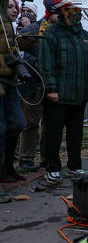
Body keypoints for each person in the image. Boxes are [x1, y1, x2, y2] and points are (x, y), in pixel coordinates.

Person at [38, 0, 88, 184]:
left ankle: (74, 166)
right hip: (59, 95)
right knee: (53, 133)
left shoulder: (85, 35)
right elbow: (46, 64)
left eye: (79, 9)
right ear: (64, 11)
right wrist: (51, 88)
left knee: (76, 133)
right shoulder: (52, 33)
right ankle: (52, 167)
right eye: (74, 9)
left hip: (79, 94)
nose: (78, 13)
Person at [0, 0, 27, 203]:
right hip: (1, 76)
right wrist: (7, 61)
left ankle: (6, 168)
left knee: (17, 124)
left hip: (9, 81)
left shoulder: (6, 19)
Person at [16, 23, 45, 173]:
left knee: (42, 124)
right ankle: (26, 158)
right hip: (29, 87)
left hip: (41, 85)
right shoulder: (24, 52)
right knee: (31, 123)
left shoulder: (43, 43)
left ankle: (44, 158)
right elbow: (17, 54)